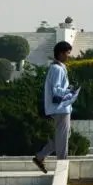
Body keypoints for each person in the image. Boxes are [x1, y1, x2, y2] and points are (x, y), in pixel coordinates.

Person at [32, 41, 79, 173]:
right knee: (63, 137)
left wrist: (69, 89)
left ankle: (40, 156)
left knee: (64, 135)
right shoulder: (57, 69)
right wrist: (70, 92)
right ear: (61, 53)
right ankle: (62, 165)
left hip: (60, 108)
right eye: (67, 53)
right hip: (60, 108)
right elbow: (57, 89)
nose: (69, 56)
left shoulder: (57, 68)